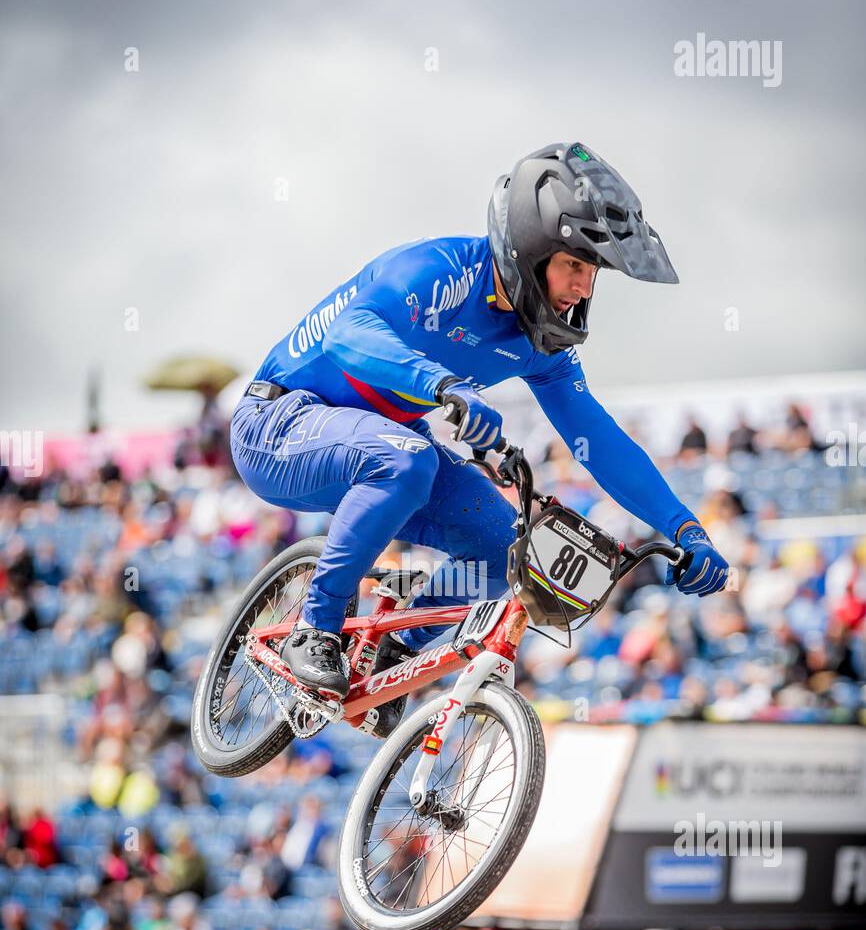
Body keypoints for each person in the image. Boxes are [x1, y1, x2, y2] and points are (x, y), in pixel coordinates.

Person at [231, 141, 729, 736]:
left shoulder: (542, 347)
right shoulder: (441, 270)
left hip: (380, 444)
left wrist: (681, 524)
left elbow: (597, 437)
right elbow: (347, 336)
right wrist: (442, 386)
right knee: (407, 458)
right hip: (278, 422)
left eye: (593, 273)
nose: (584, 289)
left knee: (508, 551)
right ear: (532, 250)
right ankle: (316, 628)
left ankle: (394, 652)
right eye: (575, 266)